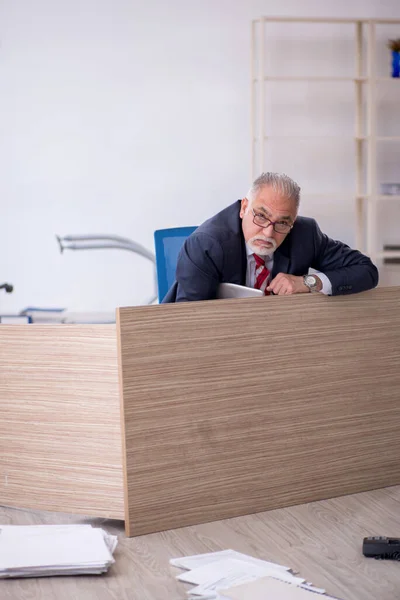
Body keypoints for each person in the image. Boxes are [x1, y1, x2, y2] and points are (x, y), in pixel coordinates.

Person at [162, 172, 378, 302]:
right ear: (244, 207)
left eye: (283, 223)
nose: (268, 233)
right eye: (261, 216)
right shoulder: (206, 245)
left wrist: (309, 282)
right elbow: (189, 321)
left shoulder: (306, 233)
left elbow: (366, 270)